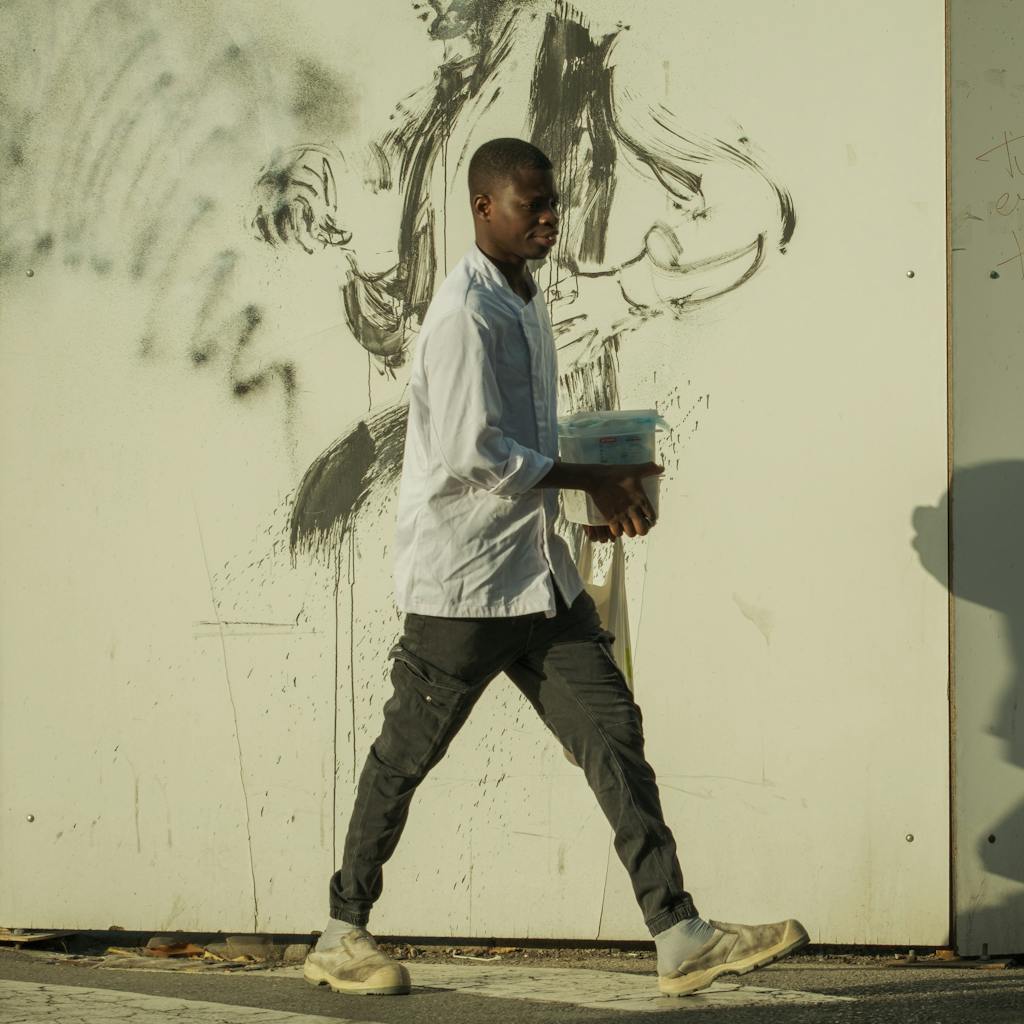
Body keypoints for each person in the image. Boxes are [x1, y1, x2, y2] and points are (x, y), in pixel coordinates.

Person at [303, 138, 807, 998]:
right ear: (482, 209)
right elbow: (474, 452)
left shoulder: (526, 297)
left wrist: (593, 498)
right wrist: (593, 482)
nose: (547, 219)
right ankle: (342, 934)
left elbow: (525, 444)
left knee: (614, 737)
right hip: (461, 589)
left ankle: (680, 935)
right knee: (403, 760)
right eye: (529, 206)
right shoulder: (465, 313)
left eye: (551, 205)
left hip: (535, 579)